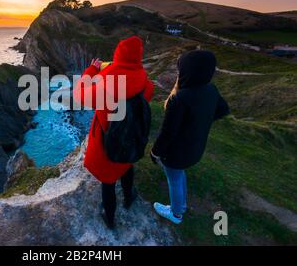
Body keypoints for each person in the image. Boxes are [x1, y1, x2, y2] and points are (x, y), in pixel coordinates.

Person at [73, 36, 154, 229]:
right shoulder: (145, 83)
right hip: (131, 139)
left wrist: (93, 70)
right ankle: (128, 198)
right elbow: (136, 85)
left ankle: (109, 219)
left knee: (108, 182)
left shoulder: (104, 87)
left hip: (106, 144)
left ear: (117, 56)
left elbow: (78, 94)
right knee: (126, 167)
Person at [150, 50, 230, 224]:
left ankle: (176, 213)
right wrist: (201, 122)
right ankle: (182, 205)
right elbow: (223, 109)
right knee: (179, 175)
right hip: (195, 148)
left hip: (176, 152)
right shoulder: (210, 89)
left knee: (174, 180)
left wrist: (155, 152)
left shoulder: (179, 99)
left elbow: (167, 133)